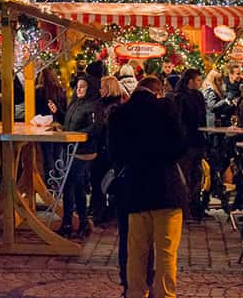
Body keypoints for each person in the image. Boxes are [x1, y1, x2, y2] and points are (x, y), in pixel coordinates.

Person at [108, 75, 187, 298]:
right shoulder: (166, 109)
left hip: (135, 190)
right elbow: (180, 146)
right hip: (166, 189)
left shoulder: (120, 114)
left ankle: (135, 293)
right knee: (165, 253)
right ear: (158, 91)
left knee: (137, 252)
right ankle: (164, 294)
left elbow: (115, 154)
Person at [59, 75, 101, 238]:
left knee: (72, 185)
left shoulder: (93, 105)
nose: (79, 89)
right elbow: (69, 122)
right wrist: (58, 115)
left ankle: (74, 221)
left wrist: (79, 135)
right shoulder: (75, 103)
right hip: (72, 149)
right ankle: (75, 222)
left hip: (84, 151)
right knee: (73, 186)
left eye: (83, 86)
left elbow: (95, 128)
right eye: (78, 86)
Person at [171, 69, 208, 220]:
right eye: (198, 80)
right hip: (188, 143)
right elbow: (179, 121)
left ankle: (195, 206)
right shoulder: (180, 97)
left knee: (197, 175)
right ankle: (186, 208)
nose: (200, 83)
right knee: (185, 176)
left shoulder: (198, 95)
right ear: (190, 81)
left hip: (197, 140)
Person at [92, 75, 124, 225]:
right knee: (103, 182)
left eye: (102, 87)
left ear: (108, 89)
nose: (100, 90)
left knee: (102, 181)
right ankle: (105, 212)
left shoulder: (111, 107)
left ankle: (102, 213)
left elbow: (104, 128)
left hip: (105, 150)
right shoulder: (114, 105)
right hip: (107, 149)